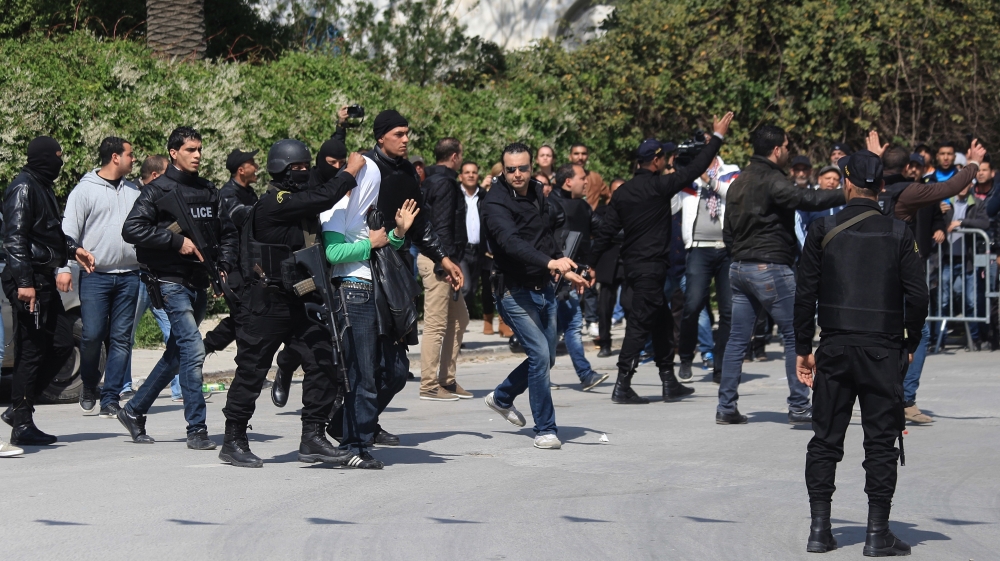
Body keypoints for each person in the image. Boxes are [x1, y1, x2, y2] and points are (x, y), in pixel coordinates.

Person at [795, 149, 927, 556]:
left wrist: (804, 348)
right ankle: (876, 533)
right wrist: (909, 343)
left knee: (825, 440)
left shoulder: (822, 229)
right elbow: (919, 296)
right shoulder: (900, 233)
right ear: (881, 187)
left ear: (847, 182)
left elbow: (804, 296)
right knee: (881, 443)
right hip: (883, 351)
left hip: (834, 348)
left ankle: (820, 530)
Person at [324, 110, 461, 467]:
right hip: (358, 277)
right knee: (364, 369)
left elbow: (418, 225)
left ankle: (350, 426)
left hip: (392, 276)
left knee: (397, 371)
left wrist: (442, 258)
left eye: (408, 133)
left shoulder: (405, 175)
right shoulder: (364, 170)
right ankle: (355, 438)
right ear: (381, 136)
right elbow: (336, 233)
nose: (405, 139)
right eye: (398, 133)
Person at [218, 139, 364, 468]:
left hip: (299, 297)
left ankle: (312, 437)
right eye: (296, 168)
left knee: (322, 360)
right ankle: (233, 439)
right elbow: (325, 195)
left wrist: (340, 142)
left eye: (304, 168)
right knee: (252, 371)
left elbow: (321, 189)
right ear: (280, 171)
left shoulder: (297, 202)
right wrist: (351, 171)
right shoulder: (275, 203)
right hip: (266, 301)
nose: (303, 173)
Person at [591, 111, 733, 405]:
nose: (667, 162)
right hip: (651, 271)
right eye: (664, 158)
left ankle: (669, 382)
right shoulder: (659, 187)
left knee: (663, 323)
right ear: (655, 161)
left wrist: (586, 264)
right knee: (639, 326)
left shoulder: (623, 193)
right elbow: (695, 167)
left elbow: (605, 234)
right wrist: (717, 136)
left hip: (634, 269)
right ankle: (622, 385)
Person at [118, 126, 239, 449]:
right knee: (193, 349)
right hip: (169, 282)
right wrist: (175, 241)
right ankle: (196, 429)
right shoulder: (156, 191)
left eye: (199, 149)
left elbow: (226, 232)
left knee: (177, 355)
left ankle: (133, 410)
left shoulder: (207, 190)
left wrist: (224, 267)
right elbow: (132, 229)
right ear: (173, 153)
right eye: (190, 150)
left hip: (199, 280)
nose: (197, 155)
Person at [717, 124, 846, 425]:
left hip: (739, 268)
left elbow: (727, 230)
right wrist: (847, 193)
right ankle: (800, 406)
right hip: (770, 267)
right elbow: (808, 201)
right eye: (787, 146)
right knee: (795, 336)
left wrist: (738, 256)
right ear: (776, 150)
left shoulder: (738, 182)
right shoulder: (772, 179)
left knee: (737, 339)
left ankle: (726, 407)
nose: (789, 151)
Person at [481, 143, 590, 449]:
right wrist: (550, 262)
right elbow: (510, 242)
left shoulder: (538, 191)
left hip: (544, 286)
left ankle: (502, 397)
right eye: (511, 169)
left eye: (523, 168)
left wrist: (563, 267)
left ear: (532, 167)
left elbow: (543, 236)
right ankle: (546, 429)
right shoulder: (495, 202)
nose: (518, 174)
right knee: (540, 355)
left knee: (547, 357)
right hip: (513, 291)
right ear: (503, 170)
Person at [872, 132, 985, 424]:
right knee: (917, 333)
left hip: (867, 274)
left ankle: (877, 397)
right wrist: (972, 164)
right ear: (910, 165)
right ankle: (906, 399)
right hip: (901, 273)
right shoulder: (909, 192)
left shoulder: (864, 189)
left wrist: (872, 157)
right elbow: (952, 185)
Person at [1, 136, 96, 446]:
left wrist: (73, 250)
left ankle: (20, 409)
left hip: (43, 278)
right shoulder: (24, 187)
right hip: (31, 281)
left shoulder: (42, 186)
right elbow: (15, 238)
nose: (59, 162)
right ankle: (22, 423)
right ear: (41, 158)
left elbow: (49, 234)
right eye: (55, 156)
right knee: (30, 352)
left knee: (60, 343)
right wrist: (25, 283)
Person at [60, 136, 141, 419]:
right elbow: (68, 233)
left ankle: (110, 398)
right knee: (92, 335)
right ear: (115, 157)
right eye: (130, 154)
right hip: (96, 276)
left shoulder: (134, 191)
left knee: (121, 339)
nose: (134, 159)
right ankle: (90, 384)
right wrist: (63, 269)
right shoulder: (84, 191)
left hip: (131, 275)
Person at [676, 154, 740, 384]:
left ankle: (721, 367)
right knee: (692, 305)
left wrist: (707, 178)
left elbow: (733, 195)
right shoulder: (688, 178)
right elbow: (672, 206)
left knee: (729, 311)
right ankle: (685, 358)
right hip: (698, 249)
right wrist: (675, 178)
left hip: (726, 249)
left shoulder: (730, 171)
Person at [419, 138, 471, 401]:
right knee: (436, 325)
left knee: (459, 318)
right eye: (461, 154)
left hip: (443, 259)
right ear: (454, 156)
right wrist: (446, 263)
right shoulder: (444, 183)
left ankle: (446, 381)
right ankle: (429, 385)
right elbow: (441, 227)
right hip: (439, 261)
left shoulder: (433, 180)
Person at [549, 163, 609, 391]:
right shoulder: (549, 206)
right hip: (551, 278)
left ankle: (585, 375)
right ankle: (538, 375)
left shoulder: (582, 207)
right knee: (552, 331)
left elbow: (602, 229)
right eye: (582, 178)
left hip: (570, 277)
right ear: (568, 181)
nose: (587, 182)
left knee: (568, 327)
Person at [458, 162, 494, 334]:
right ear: (461, 176)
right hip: (461, 249)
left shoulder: (484, 196)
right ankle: (457, 327)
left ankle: (460, 328)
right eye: (467, 172)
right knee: (464, 287)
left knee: (471, 290)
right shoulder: (456, 195)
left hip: (479, 250)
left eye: (474, 172)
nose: (471, 175)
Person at [594, 178, 626, 357]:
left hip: (627, 263)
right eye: (615, 191)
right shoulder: (602, 211)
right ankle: (605, 343)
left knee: (630, 304)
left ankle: (634, 344)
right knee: (605, 306)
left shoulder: (633, 212)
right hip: (608, 264)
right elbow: (601, 233)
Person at [796, 165, 845, 246]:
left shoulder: (844, 202)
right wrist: (807, 250)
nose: (831, 182)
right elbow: (800, 226)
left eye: (835, 179)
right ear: (819, 179)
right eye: (828, 178)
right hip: (814, 251)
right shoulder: (809, 199)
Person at [569, 144, 608, 211]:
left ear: (588, 156)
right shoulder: (562, 177)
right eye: (576, 154)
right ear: (570, 157)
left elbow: (609, 196)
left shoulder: (595, 178)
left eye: (584, 154)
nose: (580, 157)